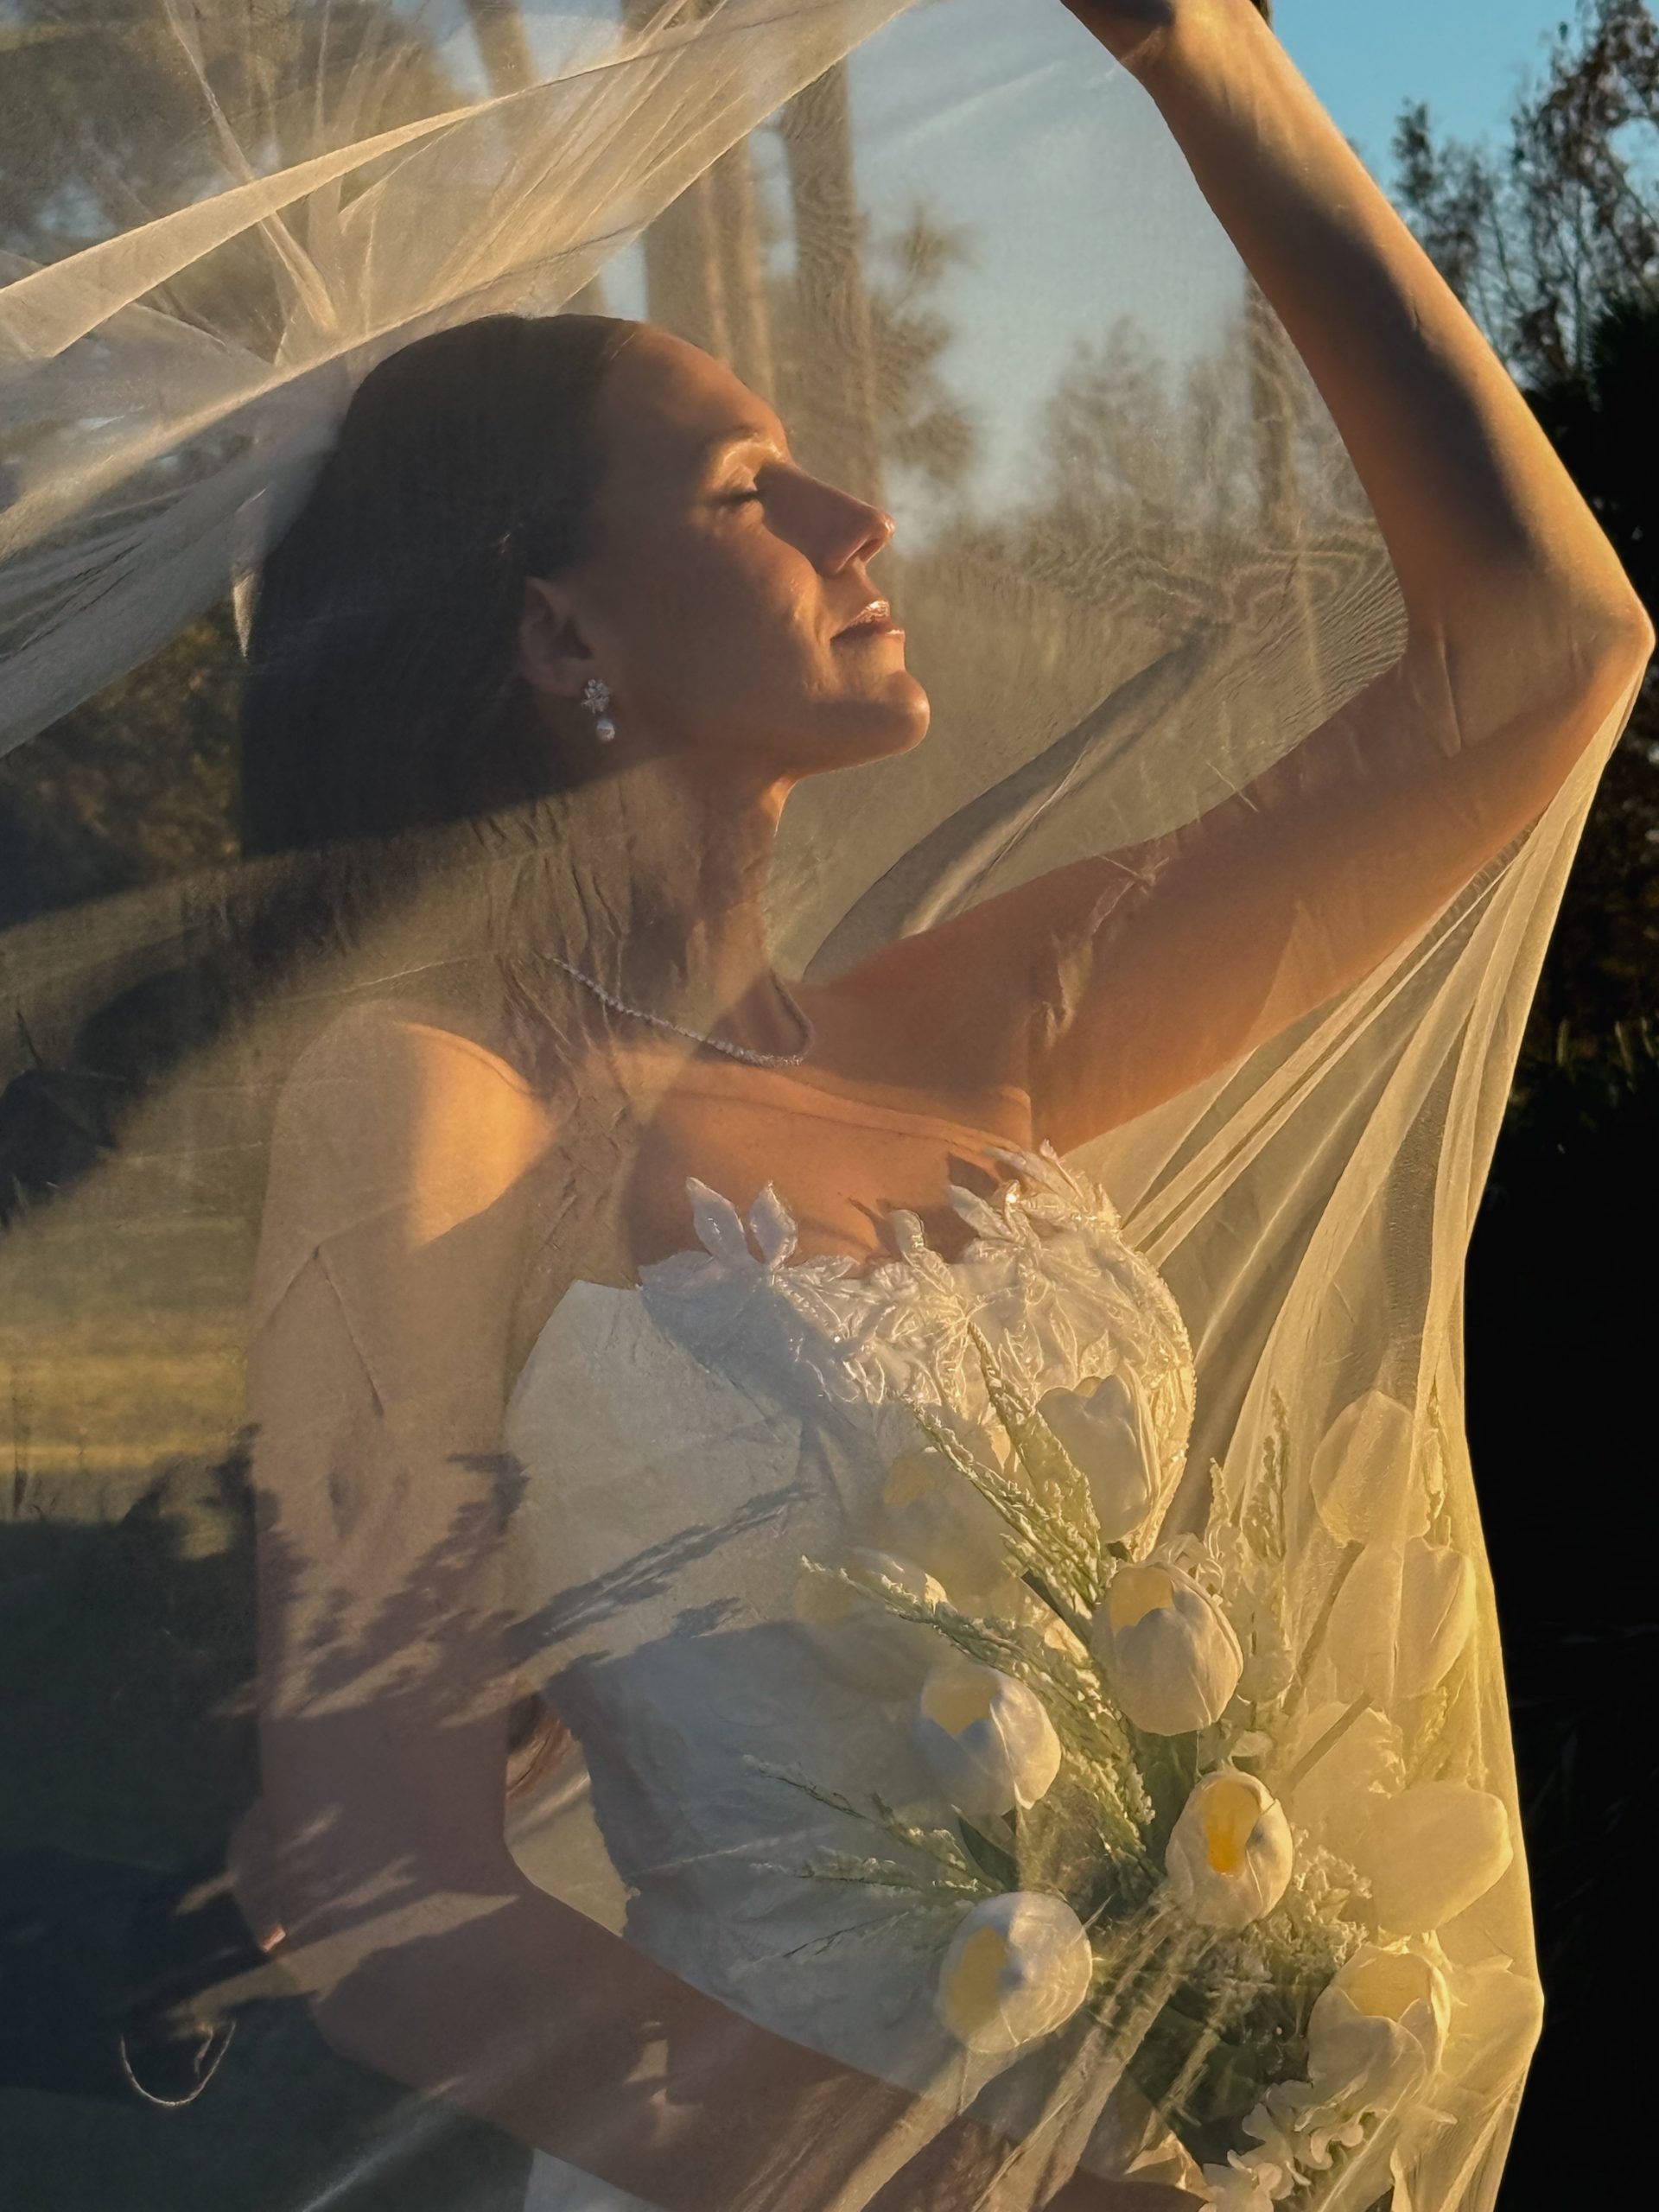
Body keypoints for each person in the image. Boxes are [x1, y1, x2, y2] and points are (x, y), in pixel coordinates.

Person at [225, 1, 1649, 2208]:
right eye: (741, 488)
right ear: (557, 638)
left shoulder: (969, 1025)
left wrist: (1208, 61)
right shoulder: (421, 1102)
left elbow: (1546, 652)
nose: (859, 509)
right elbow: (373, 1898)